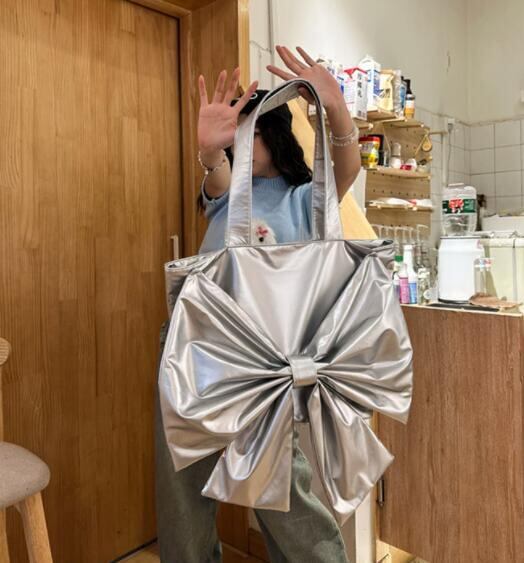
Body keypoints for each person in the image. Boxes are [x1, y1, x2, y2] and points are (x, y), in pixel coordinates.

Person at [155, 45, 361, 563]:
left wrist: (337, 111)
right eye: (237, 129)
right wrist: (210, 153)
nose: (240, 136)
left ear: (275, 134)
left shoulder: (303, 198)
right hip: (192, 348)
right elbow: (218, 175)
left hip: (262, 359)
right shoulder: (230, 191)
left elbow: (346, 167)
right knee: (182, 488)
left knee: (282, 491)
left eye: (251, 127)